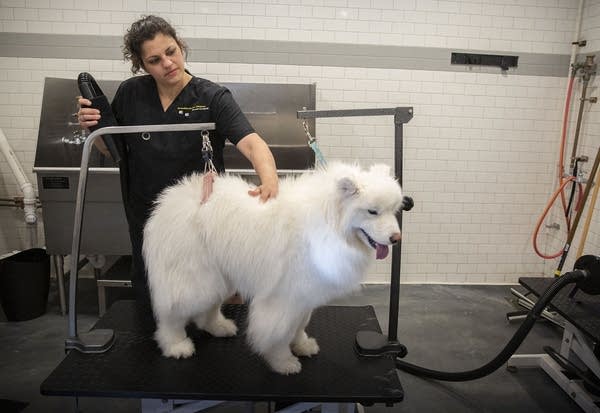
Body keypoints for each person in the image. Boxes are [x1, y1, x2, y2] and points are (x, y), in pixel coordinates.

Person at [77, 15, 279, 306]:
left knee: (215, 291)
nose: (168, 63)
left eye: (171, 51)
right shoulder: (131, 93)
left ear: (180, 45)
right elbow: (114, 151)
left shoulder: (212, 96)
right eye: (155, 60)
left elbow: (251, 143)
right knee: (157, 295)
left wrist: (269, 179)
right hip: (148, 215)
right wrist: (95, 129)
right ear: (142, 65)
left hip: (201, 216)